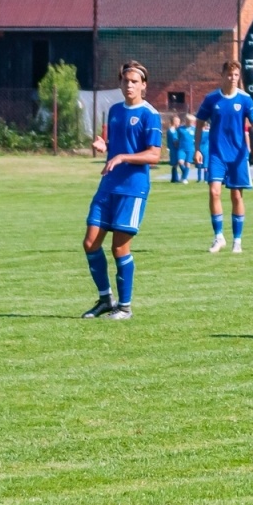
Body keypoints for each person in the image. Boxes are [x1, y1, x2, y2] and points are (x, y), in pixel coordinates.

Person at [82, 61, 162, 320]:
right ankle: (106, 299)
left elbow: (154, 155)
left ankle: (125, 307)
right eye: (125, 81)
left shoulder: (150, 114)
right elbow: (115, 143)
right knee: (90, 243)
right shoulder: (115, 110)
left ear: (144, 86)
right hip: (108, 185)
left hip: (132, 189)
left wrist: (123, 157)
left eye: (134, 81)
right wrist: (104, 146)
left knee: (119, 249)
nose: (129, 85)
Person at [194, 61, 253, 254]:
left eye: (236, 75)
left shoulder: (245, 99)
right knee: (214, 192)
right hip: (216, 154)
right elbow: (199, 122)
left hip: (238, 156)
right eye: (229, 74)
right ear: (222, 75)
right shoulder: (211, 99)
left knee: (236, 195)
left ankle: (237, 241)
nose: (232, 78)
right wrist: (198, 149)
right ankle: (219, 237)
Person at [167, 113, 194, 184]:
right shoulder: (179, 129)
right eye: (177, 121)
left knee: (186, 163)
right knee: (179, 162)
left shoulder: (193, 129)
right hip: (179, 149)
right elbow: (175, 138)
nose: (178, 123)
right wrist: (176, 144)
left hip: (190, 149)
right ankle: (180, 177)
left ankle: (183, 178)